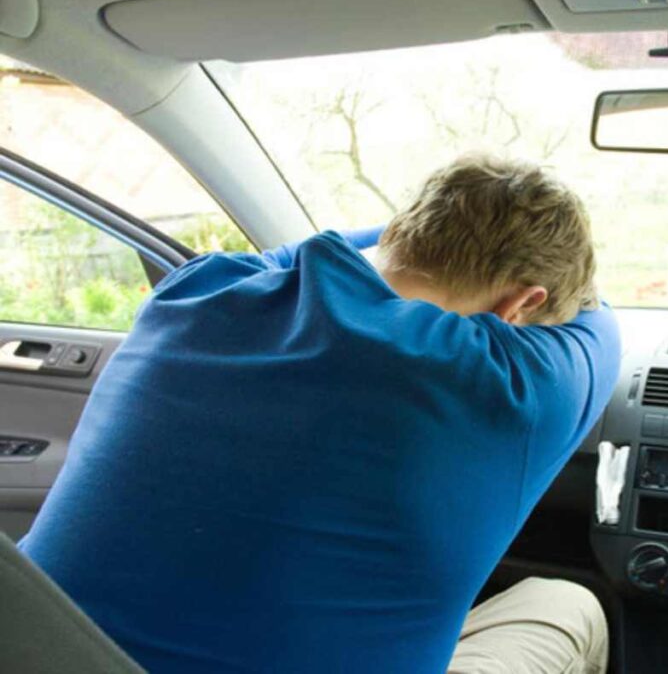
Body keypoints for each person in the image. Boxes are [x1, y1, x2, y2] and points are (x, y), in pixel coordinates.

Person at [19, 155, 621, 673]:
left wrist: (445, 223)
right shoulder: (511, 389)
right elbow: (601, 319)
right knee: (568, 605)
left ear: (404, 235)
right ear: (522, 305)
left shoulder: (196, 290)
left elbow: (310, 252)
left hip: (46, 655)